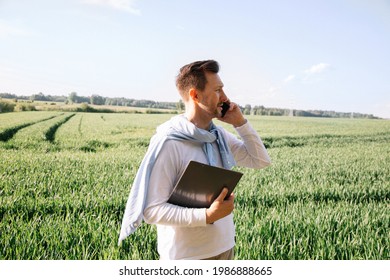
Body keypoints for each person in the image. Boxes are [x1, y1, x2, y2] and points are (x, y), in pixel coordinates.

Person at [118, 60, 271, 260]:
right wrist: (206, 216)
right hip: (187, 257)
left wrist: (240, 123)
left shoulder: (219, 135)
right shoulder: (169, 143)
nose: (225, 98)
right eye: (217, 90)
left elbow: (260, 161)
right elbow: (152, 210)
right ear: (195, 95)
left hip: (224, 248)